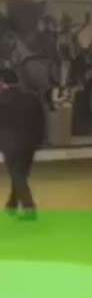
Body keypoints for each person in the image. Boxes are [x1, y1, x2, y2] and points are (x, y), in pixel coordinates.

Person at [0, 69, 46, 220]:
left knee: (17, 175)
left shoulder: (1, 100)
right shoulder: (32, 99)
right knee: (20, 175)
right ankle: (12, 204)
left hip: (10, 144)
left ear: (3, 83)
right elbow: (40, 122)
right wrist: (38, 141)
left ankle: (28, 207)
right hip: (30, 143)